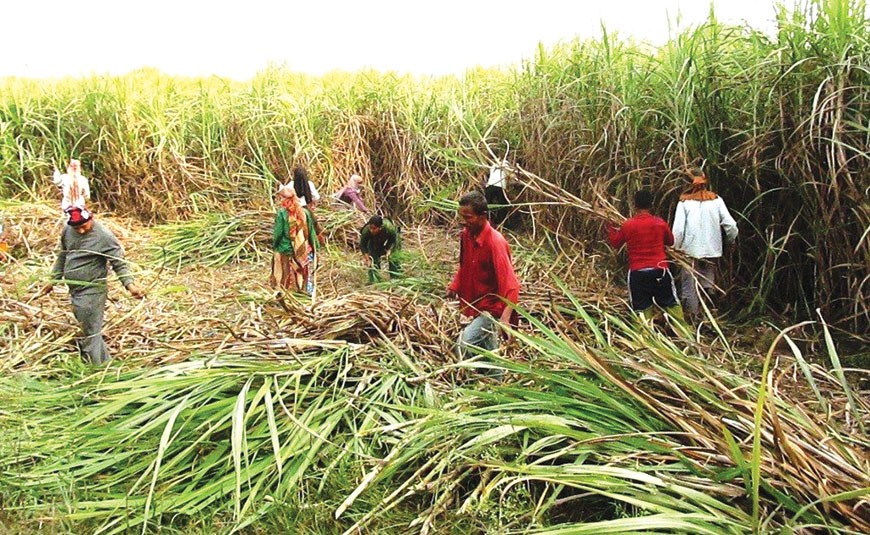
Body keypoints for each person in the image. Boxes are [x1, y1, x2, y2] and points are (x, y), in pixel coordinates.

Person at [41, 207, 145, 364]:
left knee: (91, 332)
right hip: (75, 289)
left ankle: (96, 368)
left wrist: (130, 285)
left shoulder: (104, 236)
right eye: (77, 228)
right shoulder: (68, 231)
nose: (81, 231)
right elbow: (63, 255)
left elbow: (119, 264)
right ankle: (104, 364)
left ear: (91, 219)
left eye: (84, 226)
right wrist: (53, 280)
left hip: (92, 290)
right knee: (88, 329)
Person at [448, 191, 520, 359]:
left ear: (483, 216)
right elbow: (466, 265)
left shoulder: (495, 242)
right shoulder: (466, 236)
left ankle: (464, 380)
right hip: (477, 304)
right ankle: (496, 382)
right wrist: (455, 285)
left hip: (491, 307)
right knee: (488, 351)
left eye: (469, 217)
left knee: (463, 344)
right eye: (462, 217)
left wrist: (505, 319)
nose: (464, 222)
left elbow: (512, 285)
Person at [607, 189, 685, 325]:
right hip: (660, 270)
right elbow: (671, 241)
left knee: (641, 309)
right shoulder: (659, 223)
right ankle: (685, 336)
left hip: (638, 273)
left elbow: (615, 243)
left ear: (635, 205)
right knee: (671, 304)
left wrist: (609, 226)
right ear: (651, 204)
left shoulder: (628, 225)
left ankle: (644, 340)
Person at [672, 168, 739, 320]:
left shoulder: (684, 203)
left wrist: (675, 250)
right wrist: (731, 241)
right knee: (708, 280)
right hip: (712, 250)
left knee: (690, 287)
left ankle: (694, 318)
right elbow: (731, 225)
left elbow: (678, 231)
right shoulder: (716, 200)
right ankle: (711, 313)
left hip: (689, 252)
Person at [271, 184, 318, 294]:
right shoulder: (305, 212)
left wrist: (275, 245)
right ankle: (302, 289)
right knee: (301, 270)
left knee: (285, 271)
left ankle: (286, 292)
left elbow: (278, 232)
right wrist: (315, 246)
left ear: (283, 198)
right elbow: (311, 231)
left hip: (285, 248)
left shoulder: (282, 213)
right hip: (301, 249)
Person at [359, 214, 401, 283]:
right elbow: (363, 245)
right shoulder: (366, 231)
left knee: (393, 257)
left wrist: (389, 250)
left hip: (391, 239)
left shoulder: (389, 228)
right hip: (374, 241)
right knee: (373, 258)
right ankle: (374, 280)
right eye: (370, 228)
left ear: (380, 227)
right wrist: (367, 259)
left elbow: (394, 240)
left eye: (374, 228)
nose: (371, 230)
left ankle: (395, 278)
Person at [484, 156, 510, 228]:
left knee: (487, 205)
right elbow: (509, 175)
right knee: (502, 205)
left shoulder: (493, 165)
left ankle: (486, 222)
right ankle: (503, 224)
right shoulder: (506, 164)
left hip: (490, 186)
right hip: (500, 186)